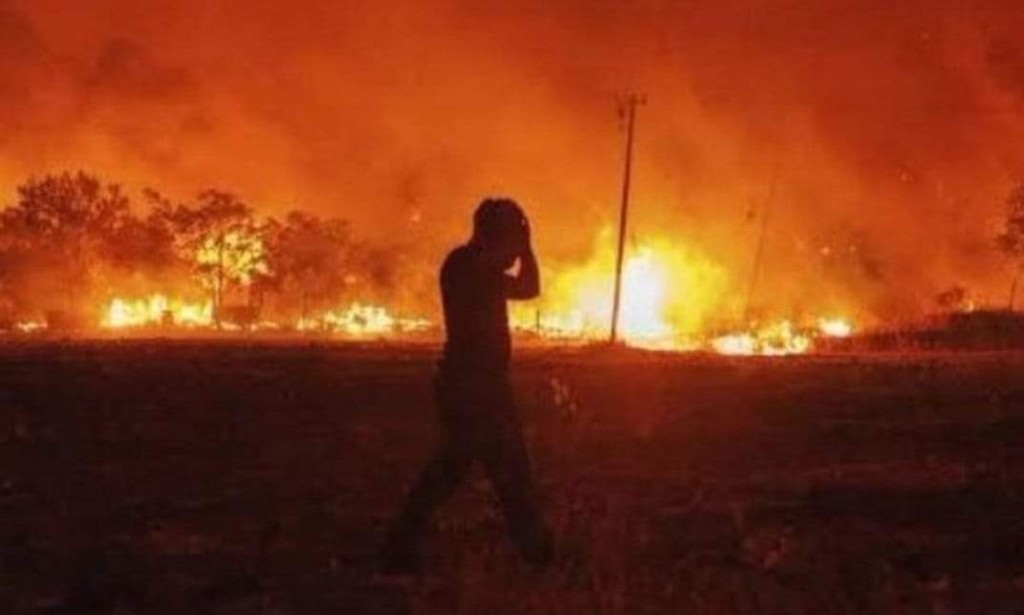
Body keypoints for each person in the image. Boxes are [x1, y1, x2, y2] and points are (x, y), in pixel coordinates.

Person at [380, 197, 553, 573]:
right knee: (500, 469)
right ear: (491, 235)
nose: (513, 252)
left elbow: (529, 288)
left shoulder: (482, 268)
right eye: (509, 239)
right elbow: (514, 279)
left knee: (473, 468)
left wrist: (525, 247)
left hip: (484, 386)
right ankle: (535, 551)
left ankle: (400, 544)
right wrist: (521, 245)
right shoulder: (463, 264)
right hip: (470, 387)